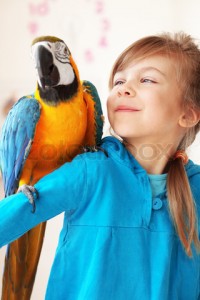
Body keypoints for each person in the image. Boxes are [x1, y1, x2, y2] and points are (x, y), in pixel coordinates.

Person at [0, 31, 200, 300]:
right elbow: (12, 215)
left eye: (147, 79)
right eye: (118, 81)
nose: (123, 88)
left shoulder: (194, 186)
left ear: (187, 114)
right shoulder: (92, 170)